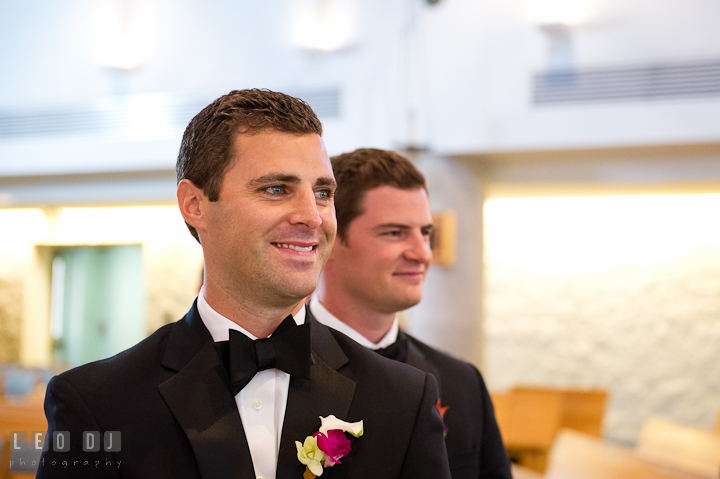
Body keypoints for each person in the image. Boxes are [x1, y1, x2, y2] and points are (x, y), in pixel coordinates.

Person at [38, 91, 451, 479]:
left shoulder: (402, 399)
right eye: (276, 189)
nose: (313, 216)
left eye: (323, 192)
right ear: (195, 204)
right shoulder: (97, 402)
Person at [310, 148, 512, 479]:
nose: (422, 253)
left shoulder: (463, 384)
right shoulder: (275, 370)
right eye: (394, 233)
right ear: (329, 239)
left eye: (426, 233)